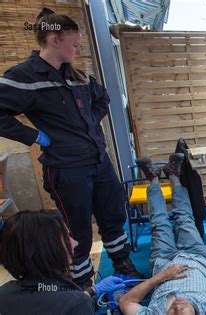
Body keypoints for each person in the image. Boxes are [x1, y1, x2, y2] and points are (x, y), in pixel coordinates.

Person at [0, 8, 142, 286]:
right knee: (76, 230)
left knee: (113, 215)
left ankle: (123, 264)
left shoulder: (78, 76)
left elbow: (102, 98)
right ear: (54, 40)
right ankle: (83, 282)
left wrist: (89, 121)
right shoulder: (24, 77)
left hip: (99, 161)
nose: (78, 50)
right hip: (66, 168)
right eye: (74, 45)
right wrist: (34, 136)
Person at [118, 153, 206, 315]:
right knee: (184, 218)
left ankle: (154, 179)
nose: (178, 307)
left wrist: (162, 276)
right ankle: (173, 175)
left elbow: (126, 302)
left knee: (158, 222)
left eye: (173, 314)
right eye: (182, 313)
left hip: (163, 261)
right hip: (196, 255)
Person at [0, 209, 131, 314]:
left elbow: (48, 295)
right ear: (47, 249)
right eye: (67, 237)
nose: (75, 243)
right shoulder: (76, 305)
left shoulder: (4, 293)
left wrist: (93, 290)